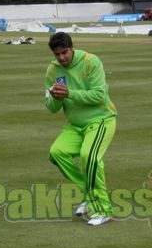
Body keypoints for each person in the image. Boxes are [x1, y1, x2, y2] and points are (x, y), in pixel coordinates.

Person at [44, 32, 117, 226]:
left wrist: (69, 93)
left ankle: (103, 211)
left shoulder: (91, 61)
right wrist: (56, 98)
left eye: (65, 52)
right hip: (76, 125)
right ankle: (88, 193)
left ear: (71, 48)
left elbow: (99, 96)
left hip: (101, 120)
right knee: (56, 153)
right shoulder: (52, 70)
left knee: (89, 157)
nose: (61, 58)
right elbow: (51, 108)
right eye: (57, 54)